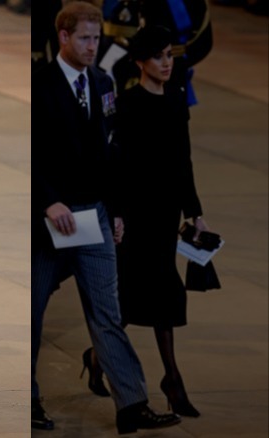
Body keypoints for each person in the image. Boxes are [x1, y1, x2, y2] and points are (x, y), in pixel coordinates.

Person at [30, 2, 182, 434]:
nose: (92, 46)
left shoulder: (102, 81)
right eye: (84, 38)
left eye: (96, 39)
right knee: (35, 316)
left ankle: (131, 404)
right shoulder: (41, 84)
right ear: (63, 37)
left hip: (94, 217)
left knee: (107, 315)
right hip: (50, 222)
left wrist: (115, 211)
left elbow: (110, 153)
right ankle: (32, 399)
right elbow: (35, 152)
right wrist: (48, 202)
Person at [88, 25, 209, 418]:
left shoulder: (175, 100)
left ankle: (170, 377)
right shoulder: (128, 104)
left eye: (170, 56)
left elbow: (184, 160)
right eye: (158, 57)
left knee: (163, 293)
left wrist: (194, 212)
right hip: (135, 213)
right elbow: (118, 166)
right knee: (127, 295)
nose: (166, 63)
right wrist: (117, 212)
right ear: (140, 62)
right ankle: (101, 357)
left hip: (165, 213)